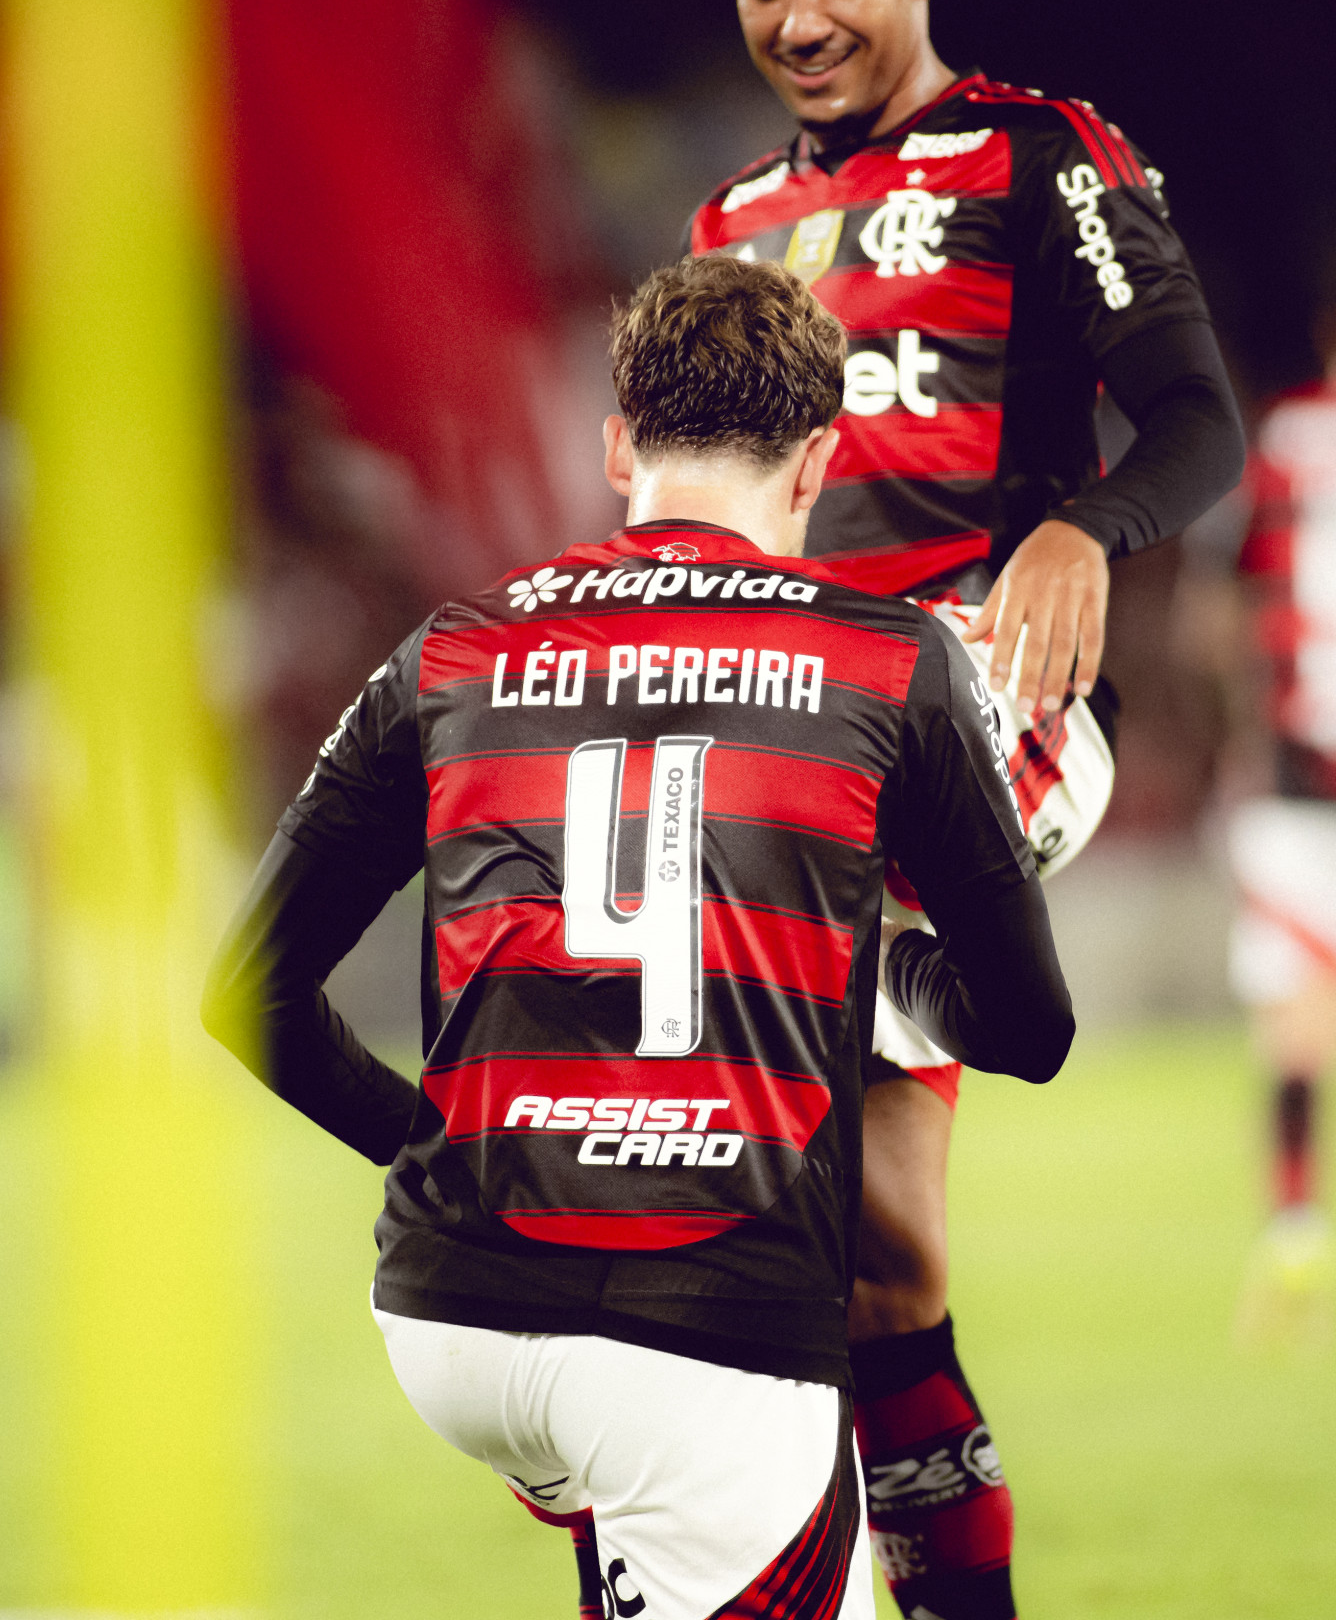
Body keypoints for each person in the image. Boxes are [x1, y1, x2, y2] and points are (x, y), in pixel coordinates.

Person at [205, 253, 1075, 1620]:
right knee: (678, 1454)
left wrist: (425, 1146)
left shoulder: (449, 651)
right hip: (704, 1324)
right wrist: (874, 966)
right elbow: (1032, 1032)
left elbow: (243, 991)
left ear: (619, 447)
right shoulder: (885, 664)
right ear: (816, 465)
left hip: (449, 1316)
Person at [689, 0, 1245, 1620]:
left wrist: (1086, 528)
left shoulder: (1043, 158)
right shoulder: (737, 221)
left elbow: (1192, 421)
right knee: (878, 1269)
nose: (802, 20)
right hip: (777, 731)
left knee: (813, 1237)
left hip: (967, 710)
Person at [1227, 347, 1336, 1341]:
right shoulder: (1292, 437)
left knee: (1300, 1029)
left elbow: (1225, 606)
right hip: (1299, 797)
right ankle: (1296, 1230)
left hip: (1296, 787)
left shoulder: (1290, 440)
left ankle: (1297, 1224)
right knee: (1299, 1027)